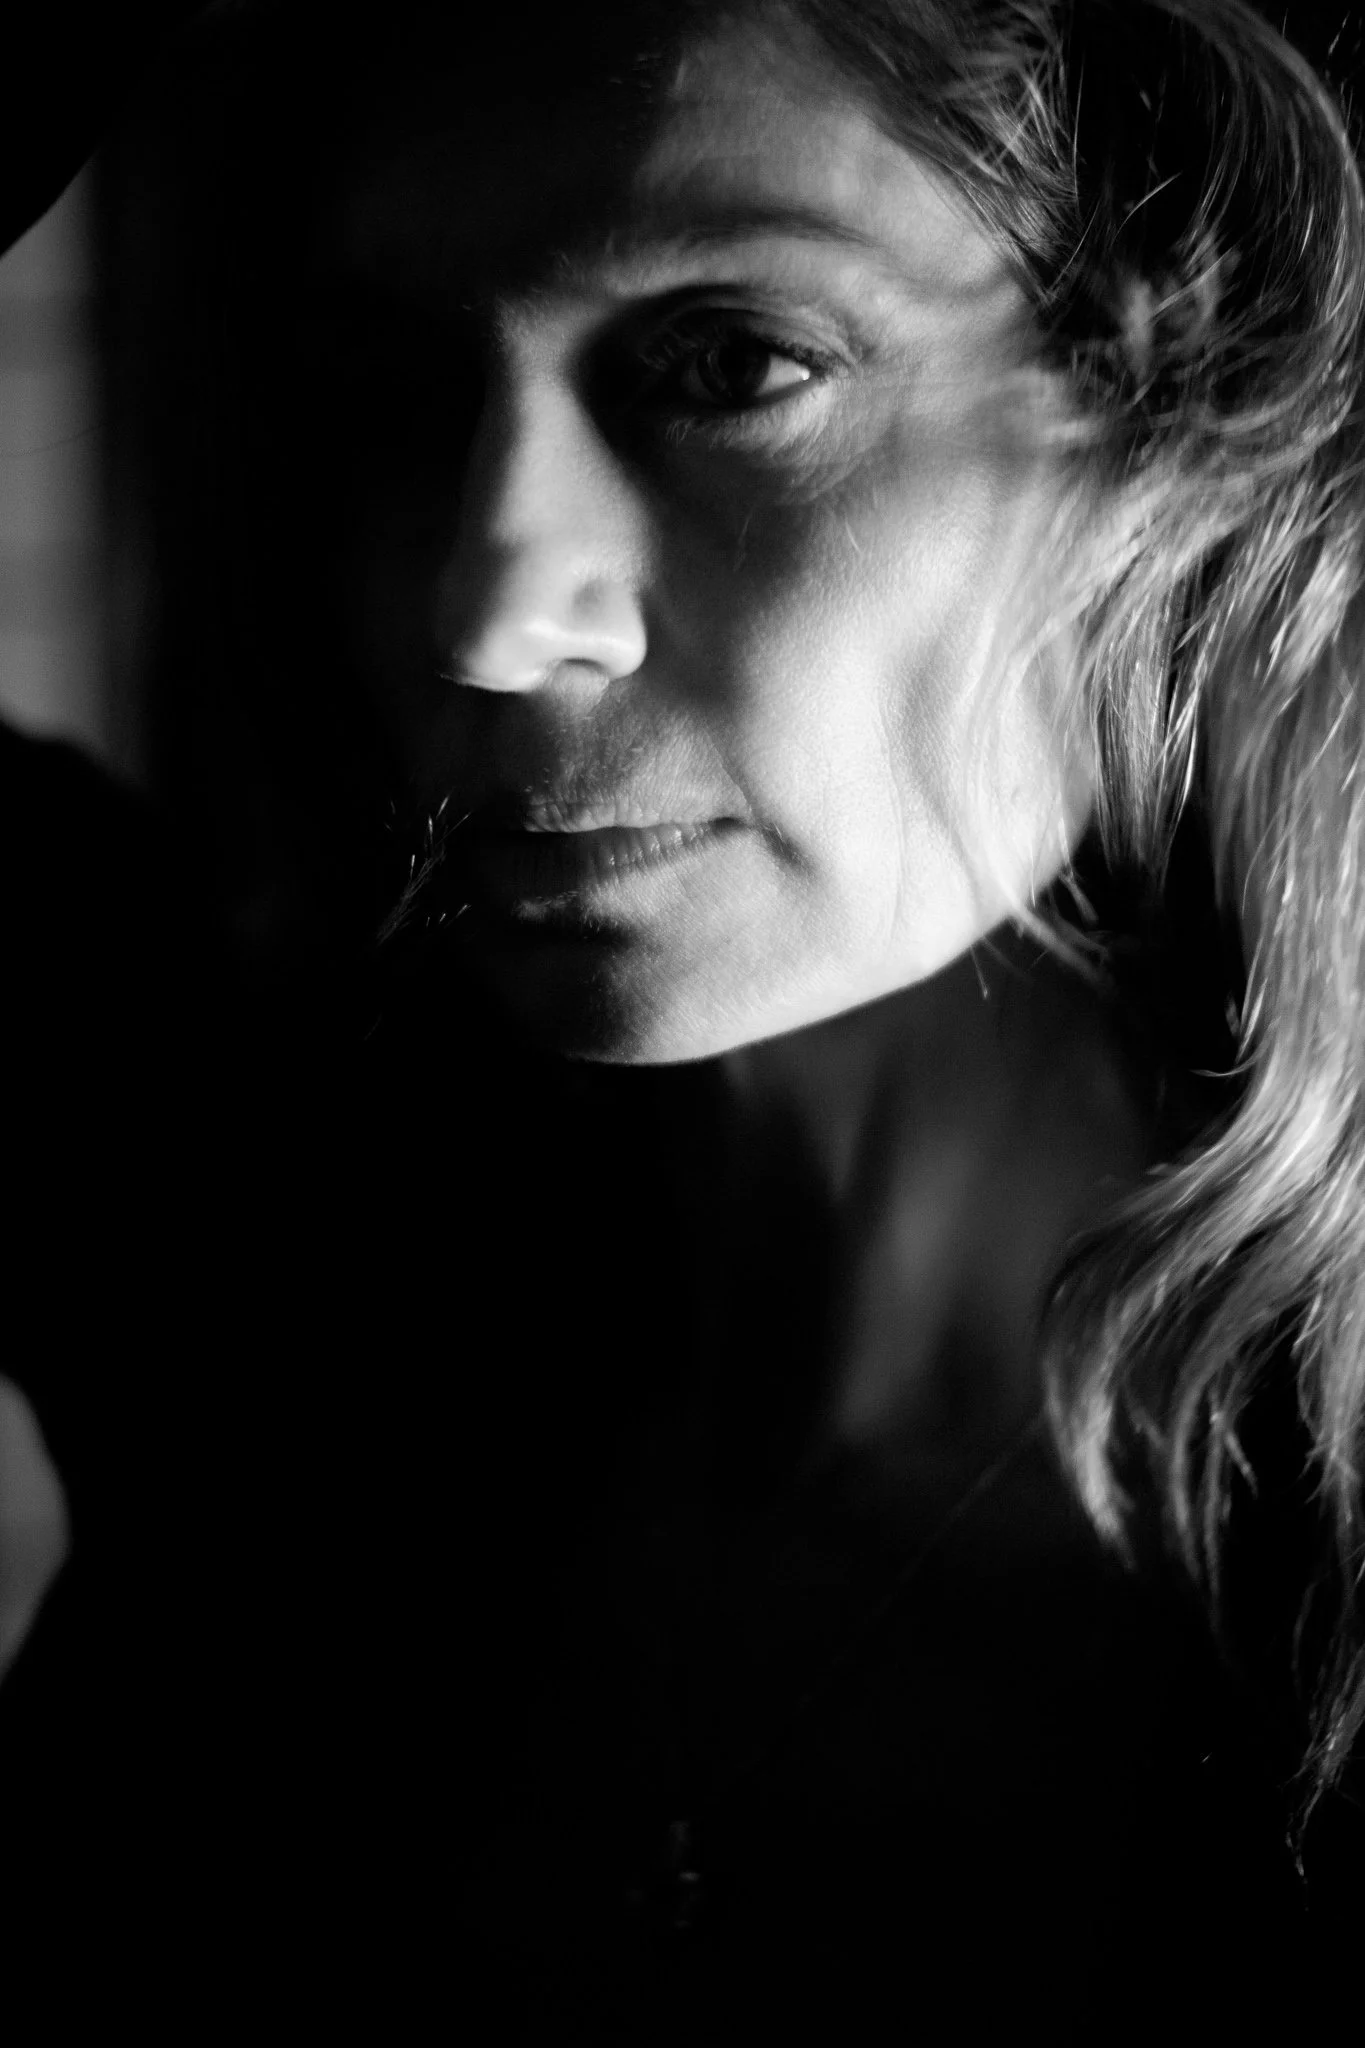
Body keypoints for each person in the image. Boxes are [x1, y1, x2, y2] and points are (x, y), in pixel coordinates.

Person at [5, 0, 1364, 2033]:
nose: (481, 605)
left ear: (1170, 415)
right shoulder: (260, 1277)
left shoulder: (1316, 1569)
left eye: (730, 364)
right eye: (387, 390)